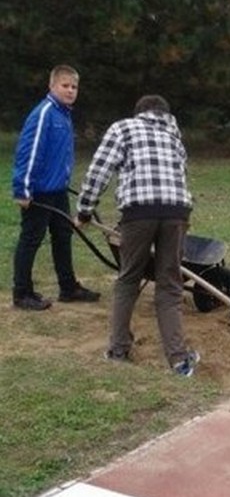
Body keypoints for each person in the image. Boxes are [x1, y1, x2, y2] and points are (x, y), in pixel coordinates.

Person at [75, 95, 199, 377]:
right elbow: (181, 175)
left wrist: (84, 211)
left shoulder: (123, 128)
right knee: (170, 286)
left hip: (139, 213)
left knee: (129, 279)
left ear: (139, 113)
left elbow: (98, 172)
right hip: (177, 213)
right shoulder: (174, 138)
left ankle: (118, 351)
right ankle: (179, 360)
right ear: (165, 114)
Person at [11, 64, 101, 310]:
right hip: (38, 191)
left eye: (74, 87)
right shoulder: (45, 114)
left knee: (63, 235)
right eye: (65, 85)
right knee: (31, 238)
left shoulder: (64, 115)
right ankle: (22, 293)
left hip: (57, 190)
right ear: (52, 86)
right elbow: (29, 152)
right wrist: (23, 189)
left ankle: (68, 287)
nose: (70, 90)